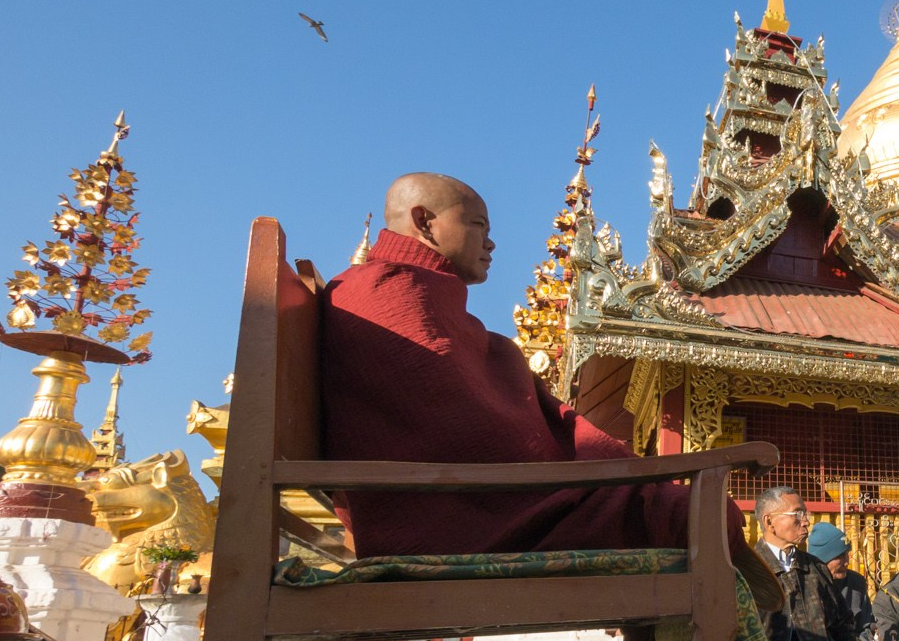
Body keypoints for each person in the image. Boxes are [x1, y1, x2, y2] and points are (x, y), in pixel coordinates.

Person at [320, 173, 782, 609]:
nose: (490, 240)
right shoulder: (385, 294)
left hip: (476, 497)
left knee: (678, 507)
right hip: (459, 519)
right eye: (477, 224)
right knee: (692, 514)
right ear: (424, 222)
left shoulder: (408, 293)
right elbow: (464, 430)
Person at [752, 487, 879, 641]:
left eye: (806, 514)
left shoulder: (814, 567)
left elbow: (844, 621)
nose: (805, 522)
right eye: (797, 514)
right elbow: (740, 636)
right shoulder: (749, 570)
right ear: (769, 521)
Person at [806, 521, 874, 641]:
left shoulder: (856, 583)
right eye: (839, 556)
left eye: (847, 554)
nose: (847, 562)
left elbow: (865, 627)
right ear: (821, 559)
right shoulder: (804, 585)